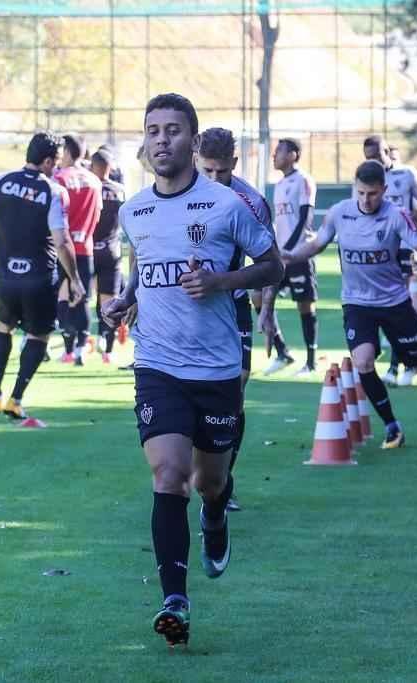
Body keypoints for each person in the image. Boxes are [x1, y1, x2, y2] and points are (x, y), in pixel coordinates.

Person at [102, 93, 283, 647]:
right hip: (157, 364)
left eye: (173, 130)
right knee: (167, 476)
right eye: (153, 130)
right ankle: (174, 599)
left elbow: (273, 263)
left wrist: (223, 283)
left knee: (211, 482)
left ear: (193, 139)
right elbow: (144, 260)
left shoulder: (227, 206)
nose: (162, 140)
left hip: (217, 369)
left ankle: (216, 517)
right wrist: (129, 297)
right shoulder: (134, 210)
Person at [283, 160, 417, 450]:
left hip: (395, 303)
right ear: (354, 188)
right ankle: (391, 426)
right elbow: (318, 243)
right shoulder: (339, 213)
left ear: (384, 190)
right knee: (363, 361)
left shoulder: (397, 216)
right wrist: (288, 256)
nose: (366, 199)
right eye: (361, 193)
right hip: (357, 304)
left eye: (372, 193)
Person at [0, 132, 83, 420]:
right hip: (39, 279)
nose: (55, 168)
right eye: (55, 163)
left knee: (2, 327)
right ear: (46, 161)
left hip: (4, 276)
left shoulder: (0, 181)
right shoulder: (53, 191)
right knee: (38, 334)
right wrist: (75, 278)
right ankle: (16, 399)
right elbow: (61, 241)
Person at [195, 126, 278, 512]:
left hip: (233, 305)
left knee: (235, 391)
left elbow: (269, 263)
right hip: (184, 307)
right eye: (206, 171)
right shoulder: (178, 191)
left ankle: (222, 480)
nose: (213, 180)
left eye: (220, 172)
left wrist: (268, 310)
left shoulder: (252, 202)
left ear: (234, 163)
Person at [363, 134, 417, 387]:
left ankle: (400, 366)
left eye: (375, 156)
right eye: (367, 158)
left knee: (399, 304)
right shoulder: (365, 178)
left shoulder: (406, 175)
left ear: (386, 151)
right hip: (375, 250)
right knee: (379, 304)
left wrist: (406, 225)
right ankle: (398, 363)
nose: (371, 162)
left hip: (402, 248)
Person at [263, 137, 318, 376]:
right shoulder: (278, 185)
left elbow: (305, 218)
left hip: (298, 256)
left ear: (294, 154)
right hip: (281, 256)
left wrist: (292, 251)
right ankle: (282, 351)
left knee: (304, 306)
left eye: (279, 151)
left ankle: (311, 362)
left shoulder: (303, 180)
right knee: (260, 296)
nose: (274, 156)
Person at [53, 134, 103, 366]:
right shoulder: (95, 181)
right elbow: (98, 213)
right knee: (81, 297)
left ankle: (67, 349)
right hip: (86, 246)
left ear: (67, 152)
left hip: (62, 247)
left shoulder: (59, 178)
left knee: (62, 295)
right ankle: (82, 347)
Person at [90, 147, 127, 364]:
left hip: (88, 249)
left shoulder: (88, 188)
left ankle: (76, 345)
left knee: (77, 297)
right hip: (111, 251)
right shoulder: (120, 190)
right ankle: (108, 350)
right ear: (110, 168)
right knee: (108, 301)